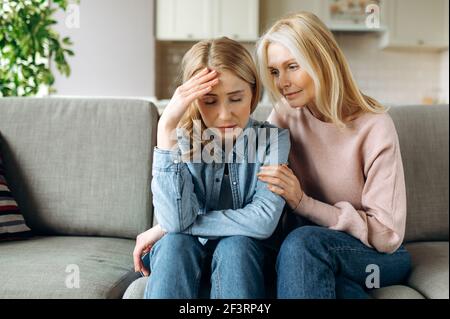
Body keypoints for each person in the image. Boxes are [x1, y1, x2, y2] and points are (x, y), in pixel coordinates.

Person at [255, 12, 411, 299]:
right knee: (310, 267)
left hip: (376, 257)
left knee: (304, 245)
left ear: (323, 62)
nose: (282, 82)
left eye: (292, 66)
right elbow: (246, 178)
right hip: (308, 253)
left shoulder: (374, 126)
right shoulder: (285, 116)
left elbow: (387, 236)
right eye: (275, 71)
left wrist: (304, 203)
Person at [133, 37, 290, 299]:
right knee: (174, 243)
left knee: (235, 245)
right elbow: (174, 222)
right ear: (195, 100)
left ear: (253, 93)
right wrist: (166, 128)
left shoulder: (273, 140)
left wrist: (169, 227)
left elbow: (262, 221)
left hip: (243, 258)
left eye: (236, 98)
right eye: (210, 101)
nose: (225, 114)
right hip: (185, 253)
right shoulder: (182, 139)